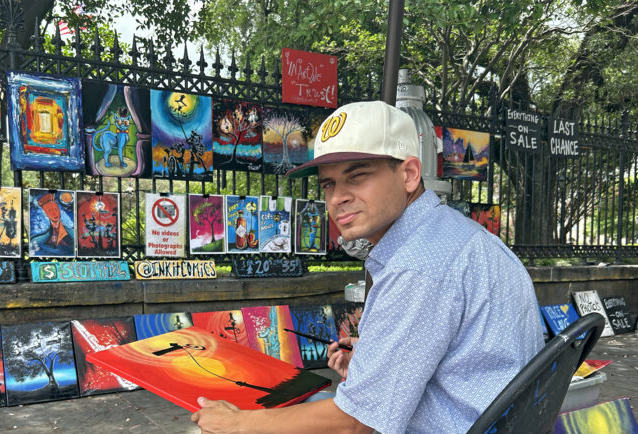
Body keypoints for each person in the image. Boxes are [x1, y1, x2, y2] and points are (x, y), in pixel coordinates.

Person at [191, 101, 544, 433]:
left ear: (408, 174)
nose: (336, 198)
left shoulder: (418, 266)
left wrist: (238, 424)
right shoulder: (456, 236)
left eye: (357, 176)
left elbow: (356, 424)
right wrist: (373, 365)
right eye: (328, 184)